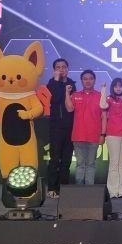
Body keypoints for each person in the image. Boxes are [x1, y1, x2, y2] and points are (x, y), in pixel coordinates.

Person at [65, 70, 106, 185]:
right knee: (80, 164)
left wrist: (103, 134)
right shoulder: (76, 95)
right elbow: (69, 109)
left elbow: (104, 116)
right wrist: (67, 93)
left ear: (94, 80)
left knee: (91, 164)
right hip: (78, 136)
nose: (88, 81)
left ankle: (89, 190)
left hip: (94, 136)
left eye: (90, 79)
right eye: (85, 79)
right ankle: (79, 191)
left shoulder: (100, 96)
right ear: (82, 81)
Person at [46, 58, 76, 198]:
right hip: (56, 127)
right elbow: (56, 98)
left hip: (70, 127)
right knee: (55, 159)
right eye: (58, 67)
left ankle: (64, 187)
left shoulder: (72, 85)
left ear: (68, 69)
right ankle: (52, 188)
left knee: (66, 160)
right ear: (54, 70)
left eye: (64, 67)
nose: (61, 69)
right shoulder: (51, 84)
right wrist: (57, 81)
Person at [100, 78, 122, 198]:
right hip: (113, 135)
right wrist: (103, 89)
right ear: (112, 88)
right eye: (115, 86)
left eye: (120, 86)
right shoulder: (109, 99)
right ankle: (113, 191)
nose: (118, 88)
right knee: (114, 163)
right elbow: (102, 105)